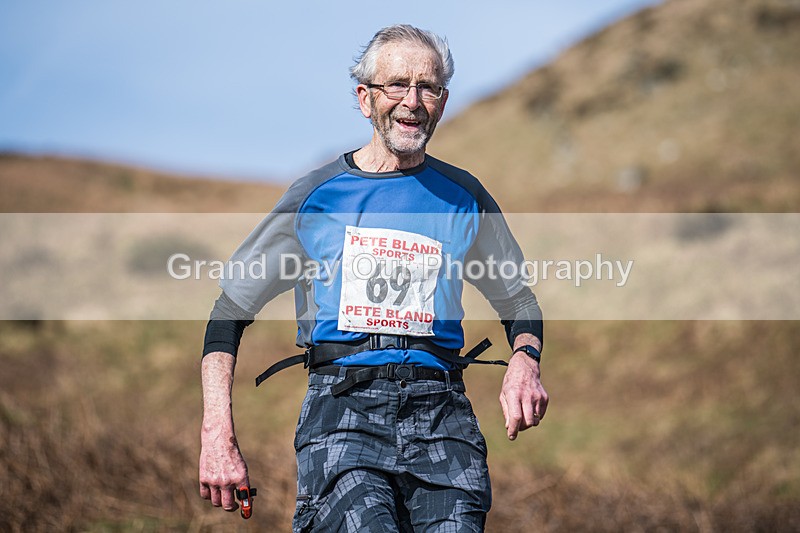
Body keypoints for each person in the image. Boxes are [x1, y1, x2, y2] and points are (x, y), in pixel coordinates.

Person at [198, 24, 548, 532]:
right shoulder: (316, 196)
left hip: (443, 417)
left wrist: (525, 360)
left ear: (443, 102)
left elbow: (518, 299)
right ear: (365, 99)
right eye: (397, 86)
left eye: (428, 87)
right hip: (343, 413)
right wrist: (216, 434)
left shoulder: (464, 196)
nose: (413, 101)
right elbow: (228, 313)